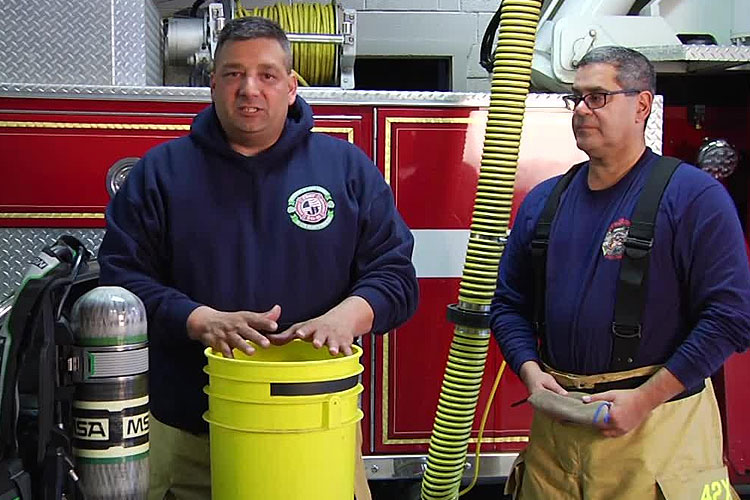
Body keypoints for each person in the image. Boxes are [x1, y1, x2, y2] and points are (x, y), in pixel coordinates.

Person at [97, 16, 418, 500]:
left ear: (291, 87)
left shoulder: (346, 169)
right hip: (188, 438)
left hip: (316, 434)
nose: (249, 89)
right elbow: (120, 281)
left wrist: (346, 316)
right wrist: (197, 319)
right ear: (212, 83)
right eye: (232, 74)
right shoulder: (160, 174)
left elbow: (395, 276)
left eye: (267, 75)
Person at [490, 46, 750, 499]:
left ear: (642, 106)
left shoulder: (693, 198)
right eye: (576, 98)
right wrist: (530, 371)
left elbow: (730, 318)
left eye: (597, 97)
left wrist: (645, 399)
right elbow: (508, 304)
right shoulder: (544, 202)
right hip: (558, 434)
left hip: (657, 433)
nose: (581, 110)